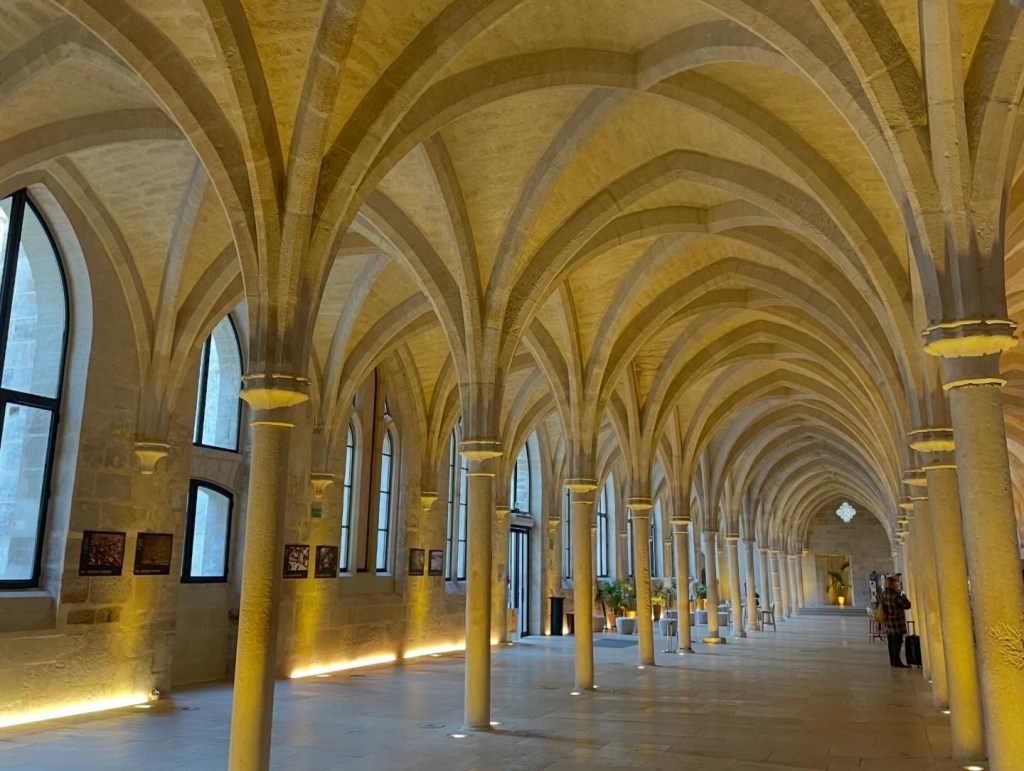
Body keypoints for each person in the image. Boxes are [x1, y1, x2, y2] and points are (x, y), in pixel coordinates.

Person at [880, 575, 912, 668]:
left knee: (891, 642)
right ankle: (897, 661)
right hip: (897, 622)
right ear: (892, 584)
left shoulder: (884, 593)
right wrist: (904, 597)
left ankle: (892, 660)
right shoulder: (895, 595)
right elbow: (907, 606)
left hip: (888, 622)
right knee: (897, 642)